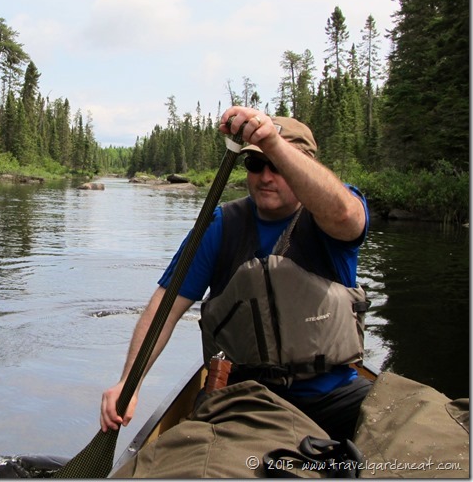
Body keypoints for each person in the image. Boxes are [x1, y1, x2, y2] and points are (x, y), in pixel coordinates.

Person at [100, 106, 372, 442]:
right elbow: (165, 307)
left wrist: (272, 142)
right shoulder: (220, 226)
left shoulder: (332, 218)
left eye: (279, 165)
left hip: (333, 398)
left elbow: (347, 215)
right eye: (256, 165)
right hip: (243, 403)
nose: (265, 176)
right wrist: (130, 380)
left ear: (303, 168)